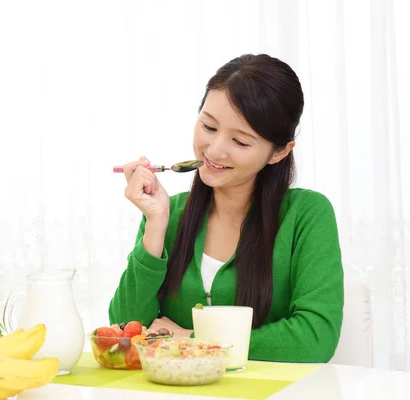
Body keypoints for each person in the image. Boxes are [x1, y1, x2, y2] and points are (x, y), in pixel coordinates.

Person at [108, 54, 344, 363]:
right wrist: (155, 224)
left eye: (241, 142)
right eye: (208, 126)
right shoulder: (170, 215)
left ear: (279, 151)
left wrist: (193, 341)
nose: (215, 150)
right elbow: (126, 329)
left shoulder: (307, 214)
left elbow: (315, 339)